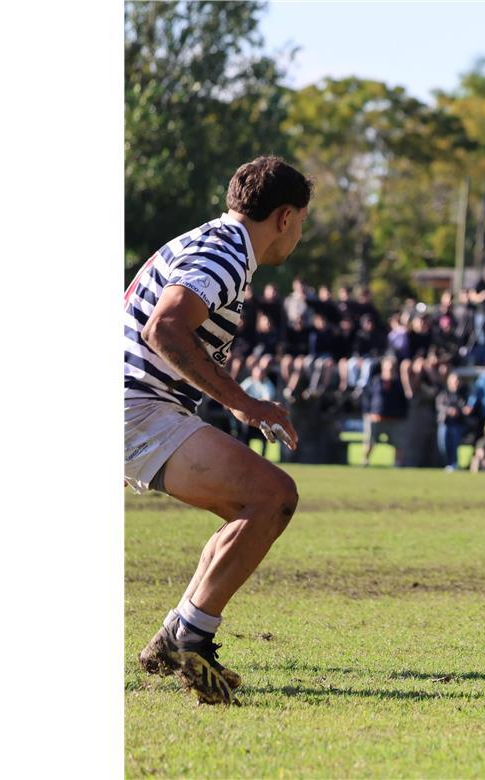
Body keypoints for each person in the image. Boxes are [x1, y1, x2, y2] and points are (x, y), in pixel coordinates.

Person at [125, 155, 311, 705]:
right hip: (136, 407)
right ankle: (192, 636)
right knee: (271, 496)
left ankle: (175, 635)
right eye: (302, 222)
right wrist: (244, 403)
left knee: (249, 507)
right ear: (284, 217)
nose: (299, 234)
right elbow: (165, 327)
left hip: (139, 405)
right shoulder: (227, 251)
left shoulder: (215, 241)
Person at [360, 355, 410, 467]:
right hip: (376, 418)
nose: (390, 369)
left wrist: (402, 415)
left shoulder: (399, 383)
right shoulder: (375, 381)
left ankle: (397, 464)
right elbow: (367, 398)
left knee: (398, 443)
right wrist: (368, 413)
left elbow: (404, 401)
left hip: (395, 419)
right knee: (370, 441)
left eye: (392, 367)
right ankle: (365, 461)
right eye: (388, 367)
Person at [436, 372, 473, 471]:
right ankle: (445, 463)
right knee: (443, 445)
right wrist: (448, 410)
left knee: (454, 444)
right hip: (445, 423)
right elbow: (439, 405)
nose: (456, 383)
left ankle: (453, 464)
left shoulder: (463, 394)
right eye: (454, 381)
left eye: (457, 381)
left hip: (457, 424)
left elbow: (465, 407)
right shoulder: (444, 393)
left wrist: (460, 411)